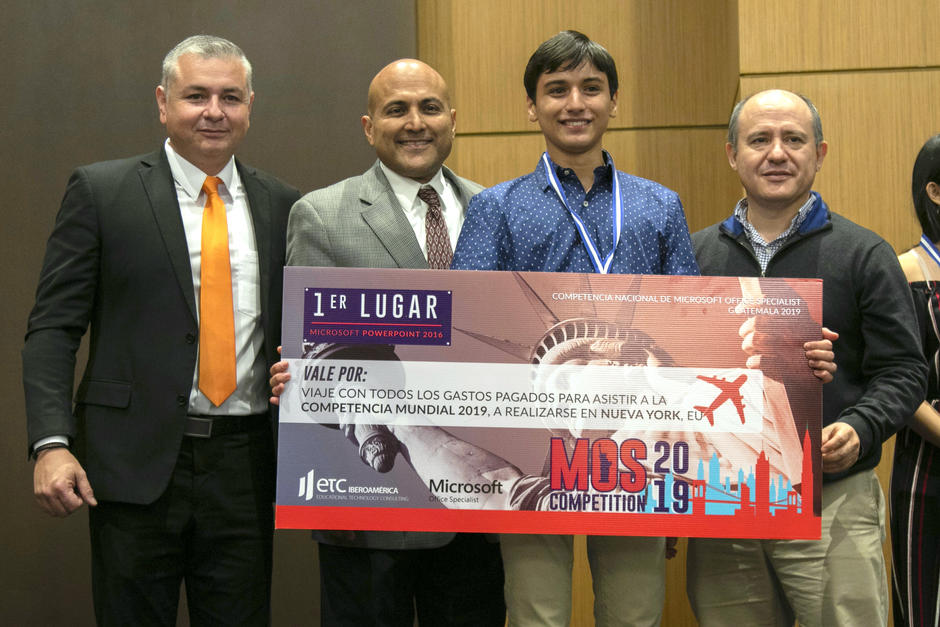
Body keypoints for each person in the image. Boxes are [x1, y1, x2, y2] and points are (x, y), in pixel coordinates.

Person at [23, 35, 299, 625]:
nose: (214, 111)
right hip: (133, 466)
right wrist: (51, 443)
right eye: (196, 95)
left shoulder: (283, 204)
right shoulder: (102, 192)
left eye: (230, 96)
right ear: (162, 102)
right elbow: (52, 329)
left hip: (246, 467)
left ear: (251, 103)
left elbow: (300, 330)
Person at [446, 29, 693, 627]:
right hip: (533, 437)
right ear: (531, 106)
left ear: (614, 101)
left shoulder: (659, 206)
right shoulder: (495, 208)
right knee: (537, 614)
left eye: (591, 88)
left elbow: (688, 325)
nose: (575, 103)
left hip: (638, 443)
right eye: (556, 90)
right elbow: (469, 326)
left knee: (634, 614)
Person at [272, 59, 506, 626]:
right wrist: (303, 380)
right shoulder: (322, 215)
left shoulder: (496, 211)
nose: (414, 122)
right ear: (368, 126)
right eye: (396, 109)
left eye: (429, 108)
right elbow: (314, 356)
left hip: (477, 503)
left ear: (453, 120)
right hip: (370, 507)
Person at [687, 89, 928, 627]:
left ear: (819, 153)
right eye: (759, 140)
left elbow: (905, 369)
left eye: (793, 139)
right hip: (725, 502)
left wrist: (861, 427)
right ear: (732, 154)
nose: (777, 153)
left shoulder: (864, 253)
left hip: (833, 498)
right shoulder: (695, 255)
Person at [891, 133, 940, 627]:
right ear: (935, 191)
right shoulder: (904, 270)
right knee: (923, 606)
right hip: (928, 466)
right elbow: (897, 379)